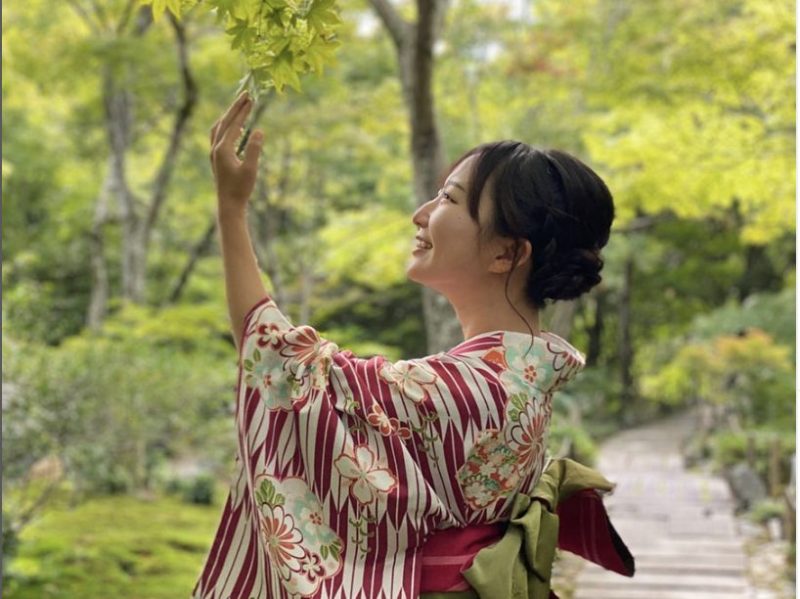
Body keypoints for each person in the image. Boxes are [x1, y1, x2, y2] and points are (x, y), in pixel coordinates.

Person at [194, 92, 634, 599]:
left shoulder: (467, 389)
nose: (421, 214)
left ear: (506, 252)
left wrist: (232, 208)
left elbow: (280, 366)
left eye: (448, 199)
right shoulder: (520, 376)